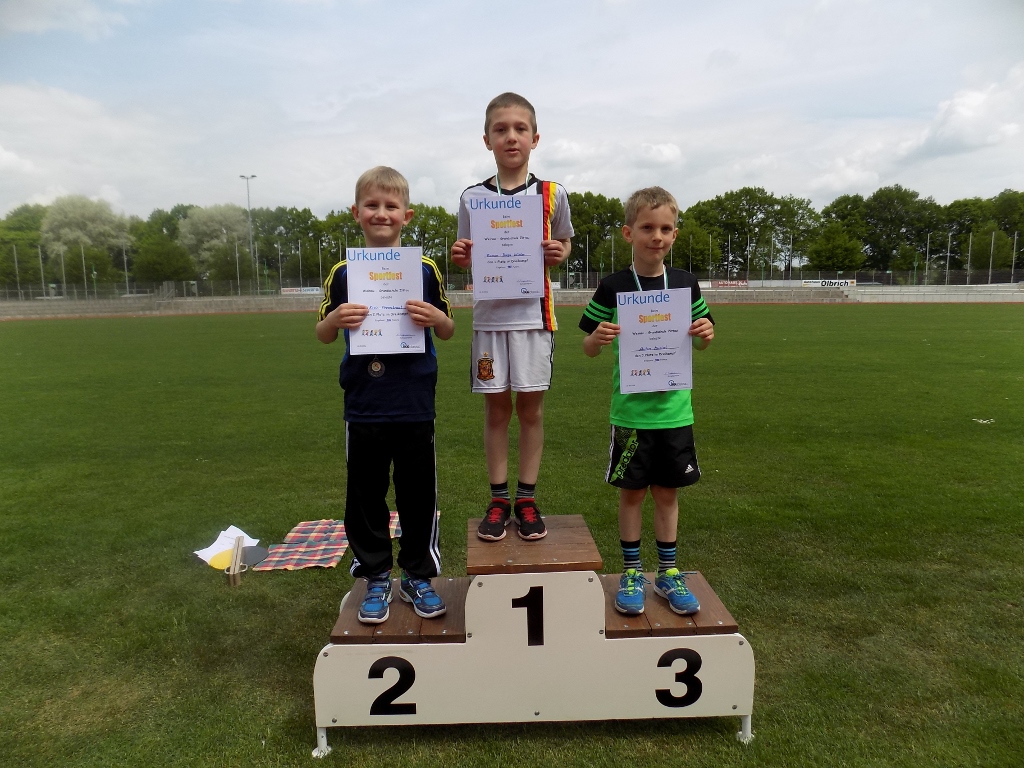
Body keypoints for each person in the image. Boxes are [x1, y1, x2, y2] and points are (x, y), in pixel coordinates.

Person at [316, 166, 455, 624]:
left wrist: (434, 317)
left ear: (406, 215)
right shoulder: (343, 273)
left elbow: (449, 329)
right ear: (355, 212)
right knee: (365, 495)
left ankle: (418, 576)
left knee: (418, 494)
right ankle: (375, 576)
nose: (381, 213)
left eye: (391, 206)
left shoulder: (424, 269)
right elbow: (322, 333)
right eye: (372, 205)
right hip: (364, 403)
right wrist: (335, 320)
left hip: (414, 400)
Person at [578, 186, 715, 616]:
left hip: (674, 413)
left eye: (666, 229)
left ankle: (669, 572)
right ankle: (633, 572)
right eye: (647, 228)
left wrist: (707, 333)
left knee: (668, 494)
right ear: (628, 233)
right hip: (631, 414)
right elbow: (588, 346)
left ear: (675, 234)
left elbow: (703, 336)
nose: (657, 236)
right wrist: (597, 339)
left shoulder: (685, 283)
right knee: (633, 495)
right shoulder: (613, 286)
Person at [450, 92, 573, 542]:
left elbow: (564, 242)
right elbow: (467, 252)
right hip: (489, 321)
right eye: (500, 130)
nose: (511, 137)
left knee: (531, 410)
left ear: (535, 138)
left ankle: (526, 498)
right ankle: (498, 499)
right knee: (497, 409)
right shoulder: (472, 198)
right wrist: (461, 256)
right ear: (487, 139)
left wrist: (560, 252)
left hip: (533, 319)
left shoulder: (552, 194)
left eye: (520, 129)